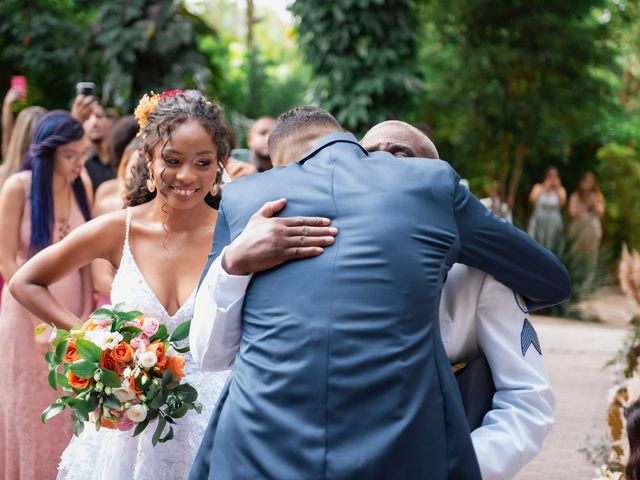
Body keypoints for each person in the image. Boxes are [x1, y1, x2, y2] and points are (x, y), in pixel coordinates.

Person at [189, 106, 570, 479]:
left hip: (396, 452)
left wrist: (462, 462)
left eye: (400, 156)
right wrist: (233, 263)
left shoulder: (479, 271)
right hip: (275, 447)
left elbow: (526, 399)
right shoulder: (259, 225)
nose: (383, 164)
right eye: (372, 156)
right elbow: (210, 352)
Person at [8, 90, 331, 480]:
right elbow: (26, 281)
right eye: (172, 161)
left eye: (203, 163)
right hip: (129, 436)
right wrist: (91, 340)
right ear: (148, 158)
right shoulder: (119, 229)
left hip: (217, 421)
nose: (186, 176)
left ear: (220, 165)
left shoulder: (240, 232)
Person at [0, 110, 93, 480]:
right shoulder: (17, 188)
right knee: (32, 404)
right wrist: (42, 323)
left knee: (71, 407)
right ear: (47, 153)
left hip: (72, 309)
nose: (79, 163)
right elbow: (6, 259)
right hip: (25, 315)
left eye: (82, 154)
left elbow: (87, 259)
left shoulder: (80, 183)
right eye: (71, 155)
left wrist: (85, 315)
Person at [567, 171, 605, 270]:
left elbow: (601, 212)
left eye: (590, 182)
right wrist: (585, 206)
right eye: (586, 181)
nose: (588, 184)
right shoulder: (575, 196)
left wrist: (594, 203)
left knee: (591, 256)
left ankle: (588, 281)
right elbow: (572, 212)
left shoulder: (598, 196)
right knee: (575, 253)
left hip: (592, 229)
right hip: (578, 228)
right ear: (581, 182)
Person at [527, 166, 566, 255]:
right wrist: (545, 186)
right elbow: (532, 199)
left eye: (555, 176)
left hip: (553, 222)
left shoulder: (560, 190)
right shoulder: (538, 187)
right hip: (539, 220)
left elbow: (562, 204)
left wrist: (557, 188)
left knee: (552, 245)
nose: (552, 178)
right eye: (550, 175)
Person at [83, 101, 115, 192]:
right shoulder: (82, 166)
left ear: (109, 122)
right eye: (87, 117)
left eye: (99, 116)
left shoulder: (122, 158)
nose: (94, 122)